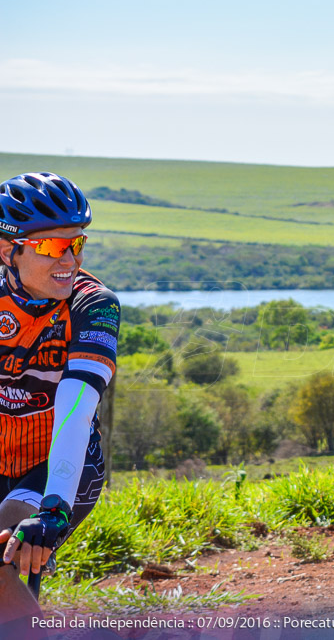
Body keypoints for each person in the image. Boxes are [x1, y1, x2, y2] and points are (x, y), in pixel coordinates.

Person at [0, 173, 119, 629]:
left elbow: (76, 406)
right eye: (52, 247)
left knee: (3, 552)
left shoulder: (93, 305)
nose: (70, 259)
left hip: (59, 465)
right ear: (8, 250)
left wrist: (53, 507)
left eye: (78, 243)